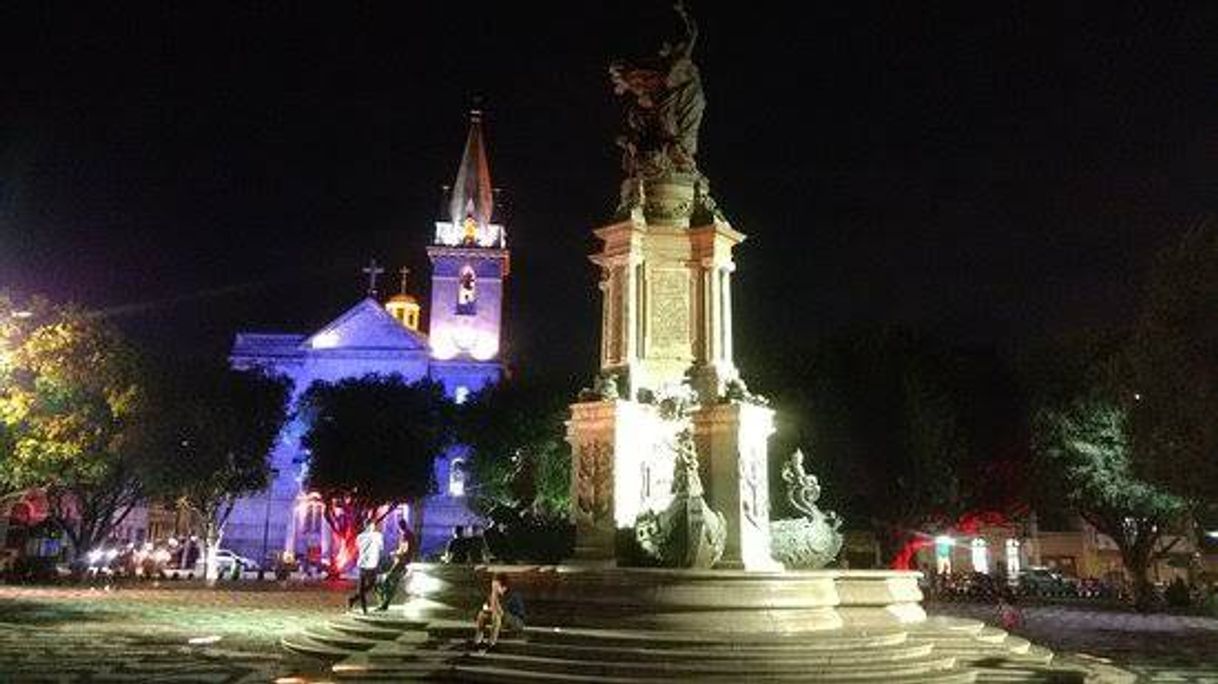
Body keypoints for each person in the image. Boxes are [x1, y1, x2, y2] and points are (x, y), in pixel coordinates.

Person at [472, 573, 526, 651]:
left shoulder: (513, 596)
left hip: (516, 621)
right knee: (482, 615)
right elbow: (487, 607)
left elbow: (501, 612)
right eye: (492, 586)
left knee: (496, 616)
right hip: (502, 618)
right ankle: (477, 641)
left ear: (504, 587)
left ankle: (491, 644)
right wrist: (487, 608)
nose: (493, 589)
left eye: (496, 587)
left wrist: (494, 599)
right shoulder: (494, 595)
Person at [347, 520, 384, 614]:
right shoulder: (377, 536)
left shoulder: (360, 537)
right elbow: (381, 548)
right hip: (371, 564)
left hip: (364, 564)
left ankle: (354, 600)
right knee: (368, 586)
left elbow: (358, 547)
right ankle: (362, 607)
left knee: (364, 587)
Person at [376, 536, 413, 611]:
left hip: (399, 566)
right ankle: (383, 603)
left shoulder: (405, 543)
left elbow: (404, 553)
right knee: (384, 585)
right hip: (396, 565)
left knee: (388, 584)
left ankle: (384, 604)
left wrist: (395, 554)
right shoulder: (402, 542)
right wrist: (395, 553)